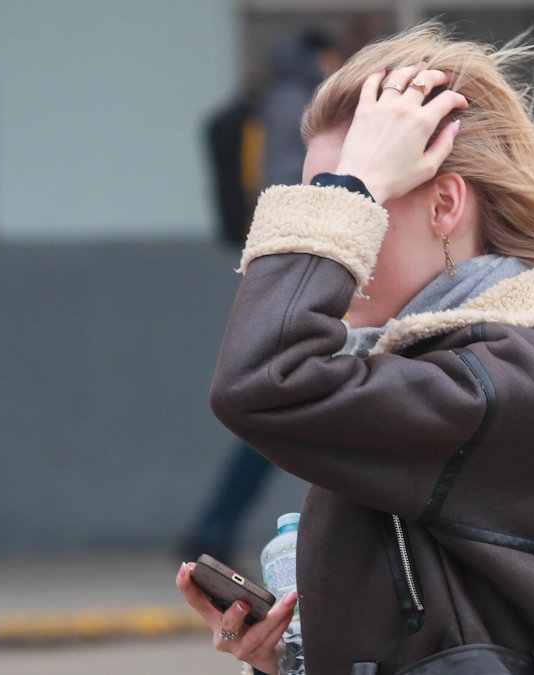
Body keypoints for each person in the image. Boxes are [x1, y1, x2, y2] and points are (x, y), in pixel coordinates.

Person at [177, 23, 534, 675]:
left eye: (360, 199)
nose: (341, 227)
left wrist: (352, 185)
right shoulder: (439, 365)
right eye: (328, 198)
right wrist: (291, 660)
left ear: (444, 205)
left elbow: (257, 382)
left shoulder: (501, 379)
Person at [180, 28, 344, 564]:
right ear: (321, 56)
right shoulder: (299, 104)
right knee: (283, 404)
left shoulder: (276, 97)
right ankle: (215, 528)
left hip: (292, 271)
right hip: (307, 270)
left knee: (283, 405)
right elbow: (291, 188)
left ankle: (215, 528)